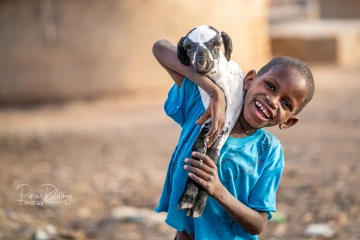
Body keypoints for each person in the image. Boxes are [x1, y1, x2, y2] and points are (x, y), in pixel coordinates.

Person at [152, 39, 315, 240]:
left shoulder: (268, 151)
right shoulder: (205, 106)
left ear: (288, 122)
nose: (272, 101)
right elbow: (160, 48)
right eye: (270, 86)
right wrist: (214, 92)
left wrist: (218, 191)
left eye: (286, 103)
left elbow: (258, 224)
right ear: (249, 80)